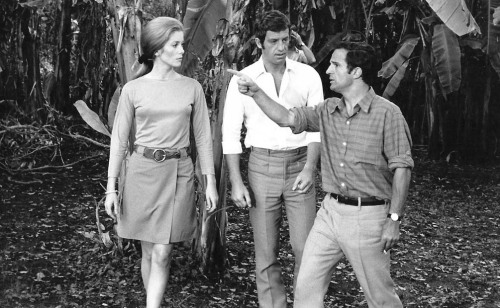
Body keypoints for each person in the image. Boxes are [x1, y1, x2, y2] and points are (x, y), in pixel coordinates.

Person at [228, 41, 414, 308]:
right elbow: (287, 118)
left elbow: (402, 169)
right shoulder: (328, 110)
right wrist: (256, 93)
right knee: (307, 286)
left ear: (357, 72)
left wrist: (394, 219)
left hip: (368, 216)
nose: (328, 70)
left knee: (380, 297)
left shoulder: (388, 113)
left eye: (336, 65)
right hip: (329, 212)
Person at [104, 17, 218, 308]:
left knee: (163, 252)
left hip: (179, 172)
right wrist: (111, 188)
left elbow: (203, 139)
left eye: (182, 44)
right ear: (156, 50)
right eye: (175, 45)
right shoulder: (133, 90)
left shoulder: (192, 88)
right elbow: (118, 141)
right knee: (147, 253)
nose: (183, 50)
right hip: (142, 172)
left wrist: (210, 184)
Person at [222, 10, 324, 308]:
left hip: (299, 164)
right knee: (266, 252)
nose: (281, 47)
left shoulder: (308, 75)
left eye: (286, 40)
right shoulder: (244, 80)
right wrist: (236, 182)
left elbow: (317, 128)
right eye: (274, 41)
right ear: (259, 43)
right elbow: (230, 135)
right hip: (261, 167)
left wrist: (310, 167)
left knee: (305, 248)